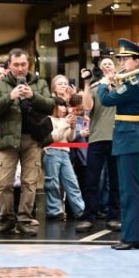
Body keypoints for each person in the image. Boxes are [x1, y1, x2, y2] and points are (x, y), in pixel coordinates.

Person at [0, 49, 54, 236]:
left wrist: (33, 95)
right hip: (8, 139)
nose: (20, 68)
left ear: (28, 65)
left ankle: (25, 219)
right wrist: (10, 97)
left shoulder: (39, 83)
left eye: (23, 64)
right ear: (9, 65)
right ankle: (6, 219)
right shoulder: (0, 85)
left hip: (33, 139)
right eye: (16, 65)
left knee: (29, 182)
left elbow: (50, 105)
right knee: (4, 182)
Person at [97, 40, 139, 249]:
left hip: (129, 138)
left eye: (126, 59)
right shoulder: (129, 81)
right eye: (122, 59)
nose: (122, 62)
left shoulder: (135, 83)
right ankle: (130, 235)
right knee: (126, 189)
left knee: (130, 190)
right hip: (124, 137)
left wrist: (103, 85)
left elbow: (107, 100)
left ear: (137, 61)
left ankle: (133, 236)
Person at [78, 61, 120, 229]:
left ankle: (114, 216)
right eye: (104, 65)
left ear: (115, 67)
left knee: (115, 181)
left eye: (110, 64)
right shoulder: (96, 87)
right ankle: (89, 216)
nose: (107, 66)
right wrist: (87, 83)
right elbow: (87, 106)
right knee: (91, 180)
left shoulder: (122, 85)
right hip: (96, 138)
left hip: (116, 138)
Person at [43, 97, 93, 229]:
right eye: (61, 106)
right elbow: (54, 136)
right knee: (52, 183)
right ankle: (54, 211)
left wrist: (72, 127)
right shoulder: (48, 119)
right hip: (51, 151)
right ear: (54, 107)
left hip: (65, 152)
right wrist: (66, 123)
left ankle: (80, 210)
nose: (64, 109)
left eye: (65, 106)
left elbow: (70, 138)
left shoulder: (65, 120)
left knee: (72, 182)